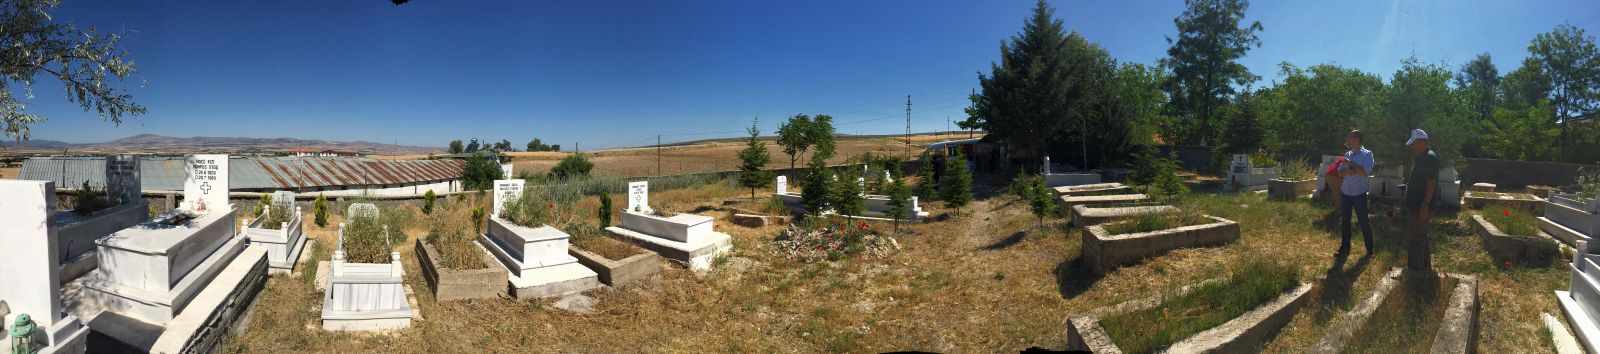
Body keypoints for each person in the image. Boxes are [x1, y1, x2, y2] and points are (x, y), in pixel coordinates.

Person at [1402, 129, 1439, 272]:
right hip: (1416, 205)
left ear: (1423, 142)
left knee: (1415, 238)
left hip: (1421, 206)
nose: (1412, 147)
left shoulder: (1429, 157)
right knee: (1420, 237)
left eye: (1414, 143)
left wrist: (1425, 206)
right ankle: (1424, 269)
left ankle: (1414, 272)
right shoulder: (1422, 157)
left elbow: (1431, 183)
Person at [1336, 130, 1375, 256]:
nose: (1348, 140)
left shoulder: (1367, 154)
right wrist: (1350, 171)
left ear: (1357, 138)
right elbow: (1340, 173)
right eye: (1348, 137)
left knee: (1363, 221)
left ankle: (1370, 250)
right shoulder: (1347, 153)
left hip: (1359, 193)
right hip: (1345, 192)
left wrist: (1351, 165)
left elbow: (1365, 172)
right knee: (1345, 221)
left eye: (1350, 137)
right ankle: (1344, 248)